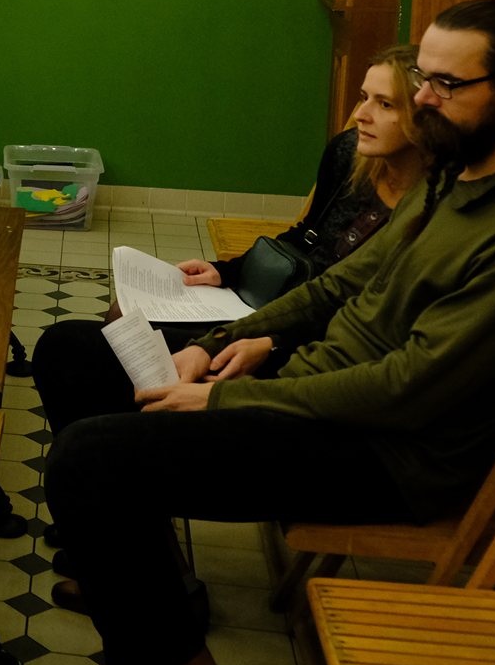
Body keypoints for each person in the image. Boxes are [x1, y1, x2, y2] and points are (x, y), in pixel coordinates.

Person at [41, 0, 495, 665]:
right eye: (423, 78)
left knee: (89, 460)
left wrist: (224, 400)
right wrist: (219, 341)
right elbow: (336, 284)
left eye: (446, 84)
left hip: (383, 454)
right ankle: (152, 573)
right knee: (73, 350)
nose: (424, 98)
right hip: (317, 394)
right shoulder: (454, 178)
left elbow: (404, 387)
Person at [28, 45, 427, 579]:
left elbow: (363, 333)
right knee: (71, 343)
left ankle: (109, 506)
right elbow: (303, 242)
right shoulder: (351, 155)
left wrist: (255, 348)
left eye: (385, 104)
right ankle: (109, 522)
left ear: (429, 117)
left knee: (103, 398)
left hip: (300, 363)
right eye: (362, 97)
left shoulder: (432, 209)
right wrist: (226, 271)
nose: (361, 115)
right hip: (268, 320)